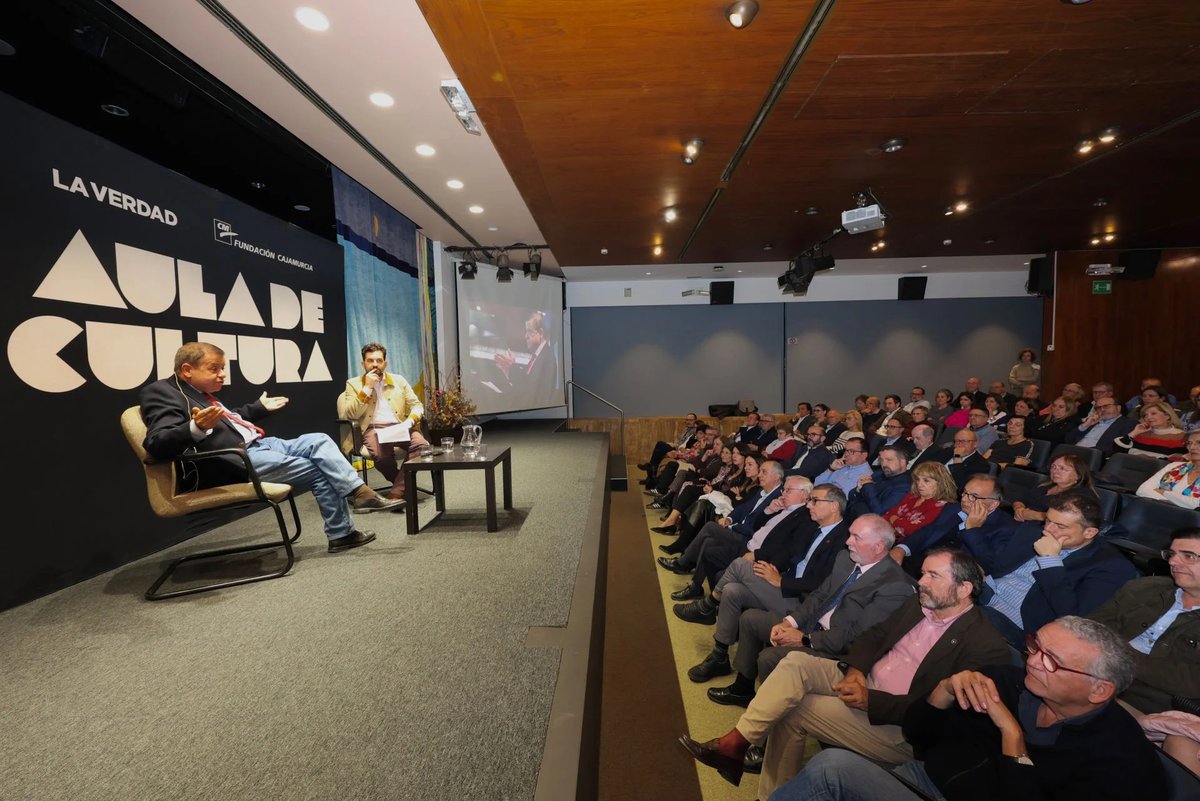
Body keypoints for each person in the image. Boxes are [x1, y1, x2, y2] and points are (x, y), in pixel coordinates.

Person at [679, 547, 1011, 797]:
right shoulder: (922, 604)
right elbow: (873, 637)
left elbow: (942, 719)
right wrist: (855, 671)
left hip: (898, 725)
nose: (921, 582)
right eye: (922, 573)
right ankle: (736, 744)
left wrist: (871, 700)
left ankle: (766, 788)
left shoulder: (984, 646)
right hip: (862, 681)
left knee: (797, 709)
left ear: (965, 589)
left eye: (932, 576)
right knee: (794, 662)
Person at [773, 616, 1168, 801]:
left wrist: (1013, 741)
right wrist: (942, 693)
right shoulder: (1006, 682)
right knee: (830, 769)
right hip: (923, 778)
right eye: (1035, 647)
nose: (1032, 661)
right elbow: (918, 735)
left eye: (1051, 660)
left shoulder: (1123, 759)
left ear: (1100, 690)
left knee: (830, 770)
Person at [140, 342, 401, 553]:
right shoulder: (162, 392)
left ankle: (358, 493)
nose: (222, 374)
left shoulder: (197, 391)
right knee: (318, 468)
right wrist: (195, 429)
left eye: (222, 368)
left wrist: (257, 409)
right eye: (215, 369)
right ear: (187, 369)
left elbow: (228, 421)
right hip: (233, 461)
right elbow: (156, 444)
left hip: (259, 445)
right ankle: (343, 532)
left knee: (319, 439)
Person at [702, 484, 852, 706]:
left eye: (815, 501)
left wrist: (781, 581)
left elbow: (821, 584)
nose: (808, 505)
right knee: (733, 591)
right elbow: (789, 553)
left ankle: (707, 604)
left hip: (799, 598)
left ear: (834, 506)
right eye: (809, 500)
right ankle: (723, 657)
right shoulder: (815, 528)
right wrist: (772, 569)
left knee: (740, 566)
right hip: (785, 583)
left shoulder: (843, 541)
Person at [962, 491, 1137, 647]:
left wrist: (1051, 561)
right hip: (984, 593)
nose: (1048, 529)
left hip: (1017, 624)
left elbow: (1072, 616)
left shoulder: (1111, 566)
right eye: (1048, 521)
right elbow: (994, 565)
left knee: (959, 618)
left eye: (1060, 526)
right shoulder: (1032, 531)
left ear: (1089, 533)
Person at [1090, 527, 1200, 714]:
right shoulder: (1144, 587)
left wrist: (1119, 656)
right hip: (1092, 675)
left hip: (1145, 705)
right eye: (1171, 554)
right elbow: (1093, 627)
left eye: (1188, 556)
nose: (1173, 562)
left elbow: (1192, 680)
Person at [337, 342, 428, 501]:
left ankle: (397, 491)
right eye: (370, 360)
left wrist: (409, 422)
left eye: (379, 360)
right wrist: (367, 388)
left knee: (422, 446)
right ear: (363, 363)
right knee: (381, 455)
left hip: (399, 426)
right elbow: (349, 414)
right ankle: (401, 486)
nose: (374, 364)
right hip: (372, 429)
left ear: (385, 363)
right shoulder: (353, 384)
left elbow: (417, 405)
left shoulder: (398, 381)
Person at [885, 461, 961, 568]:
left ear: (940, 482)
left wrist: (894, 519)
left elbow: (910, 529)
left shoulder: (942, 506)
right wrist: (896, 521)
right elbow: (886, 515)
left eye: (926, 481)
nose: (920, 484)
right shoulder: (912, 496)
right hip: (887, 540)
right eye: (917, 480)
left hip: (908, 551)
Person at [492, 310, 557, 407]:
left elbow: (532, 390)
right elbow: (527, 382)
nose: (525, 336)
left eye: (530, 331)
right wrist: (509, 369)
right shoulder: (537, 356)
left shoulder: (547, 357)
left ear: (540, 333)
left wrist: (511, 368)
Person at [1011, 453, 1098, 523]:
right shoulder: (1044, 485)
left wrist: (1033, 515)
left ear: (1078, 475)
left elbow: (1070, 520)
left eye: (1063, 468)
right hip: (1020, 522)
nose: (1055, 471)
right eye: (1053, 467)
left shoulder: (1083, 494)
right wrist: (1019, 509)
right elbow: (1020, 499)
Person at [1135, 429, 1200, 509]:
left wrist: (1164, 492)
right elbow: (1142, 490)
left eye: (1199, 442)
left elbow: (1197, 505)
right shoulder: (1173, 466)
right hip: (1157, 513)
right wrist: (1175, 503)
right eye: (1189, 443)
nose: (1192, 447)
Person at [1114, 400, 1187, 459]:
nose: (1148, 418)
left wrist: (1148, 459)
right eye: (1145, 415)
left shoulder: (1180, 436)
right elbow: (1117, 451)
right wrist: (1134, 433)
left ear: (1167, 416)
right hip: (1128, 468)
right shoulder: (1141, 432)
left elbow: (1178, 460)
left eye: (1153, 413)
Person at [1066, 392, 1135, 452]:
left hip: (1092, 455)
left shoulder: (1128, 423)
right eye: (1098, 408)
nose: (1102, 409)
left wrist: (1083, 451)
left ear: (1118, 408)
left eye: (1106, 406)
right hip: (1073, 451)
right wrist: (1084, 426)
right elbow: (1068, 440)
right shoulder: (1092, 421)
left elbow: (1115, 448)